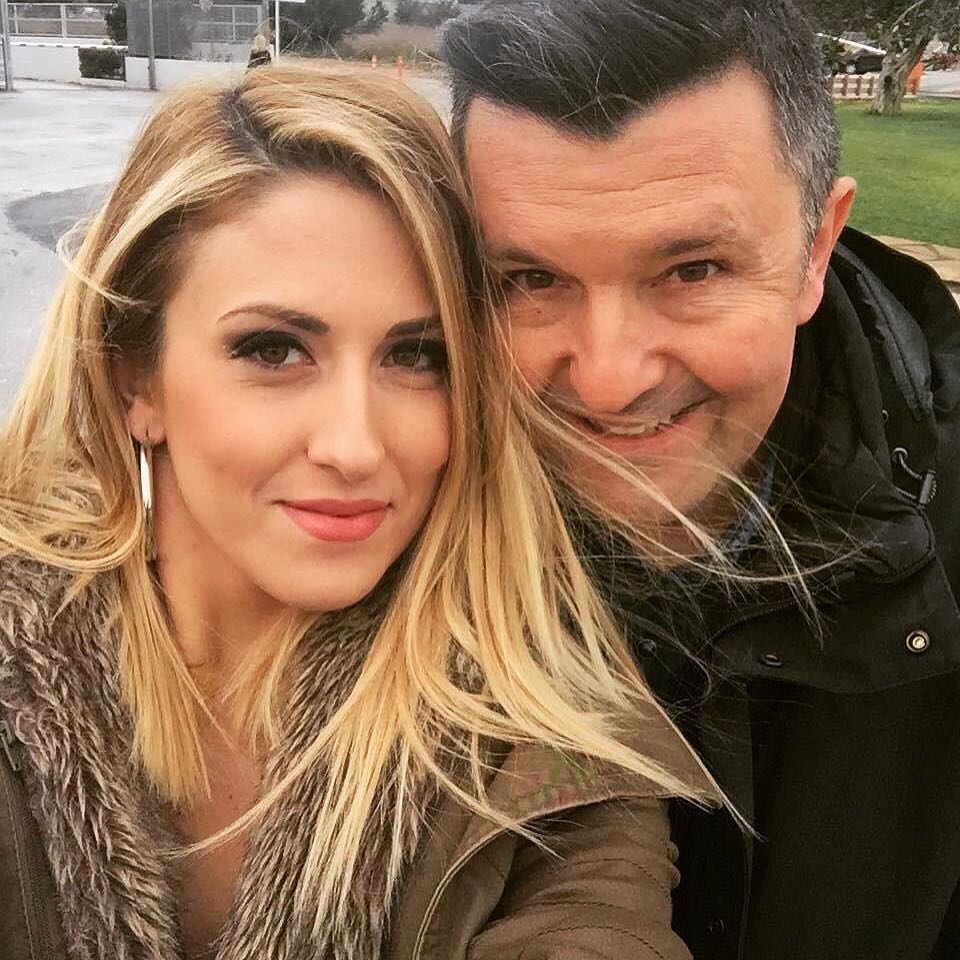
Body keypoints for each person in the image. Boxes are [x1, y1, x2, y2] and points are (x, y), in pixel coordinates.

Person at [0, 63, 718, 960]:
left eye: (416, 357)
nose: (355, 445)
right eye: (274, 350)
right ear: (135, 378)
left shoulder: (545, 747)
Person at [440, 2, 960, 958]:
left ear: (816, 247)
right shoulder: (388, 516)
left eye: (693, 270)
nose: (609, 378)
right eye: (530, 280)